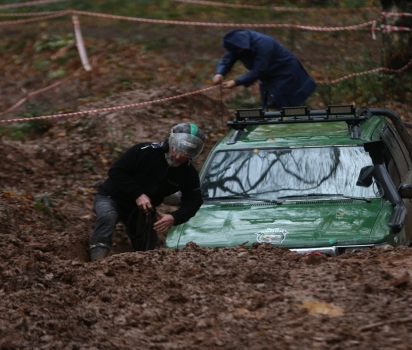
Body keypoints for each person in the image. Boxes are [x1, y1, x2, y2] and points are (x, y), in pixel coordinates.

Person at [88, 123, 206, 261]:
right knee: (107, 217)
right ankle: (96, 262)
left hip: (143, 209)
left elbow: (194, 200)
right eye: (176, 149)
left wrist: (175, 217)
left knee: (148, 247)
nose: (179, 156)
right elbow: (116, 171)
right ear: (170, 142)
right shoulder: (145, 151)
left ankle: (142, 273)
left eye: (186, 154)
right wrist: (138, 194)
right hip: (111, 196)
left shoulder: (188, 173)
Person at [212, 29, 317, 110]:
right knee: (268, 102)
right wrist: (219, 73)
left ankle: (291, 127)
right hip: (267, 76)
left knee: (284, 101)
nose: (237, 52)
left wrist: (236, 82)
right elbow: (227, 60)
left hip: (285, 71)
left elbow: (259, 69)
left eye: (238, 50)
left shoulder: (263, 44)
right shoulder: (236, 45)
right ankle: (273, 129)